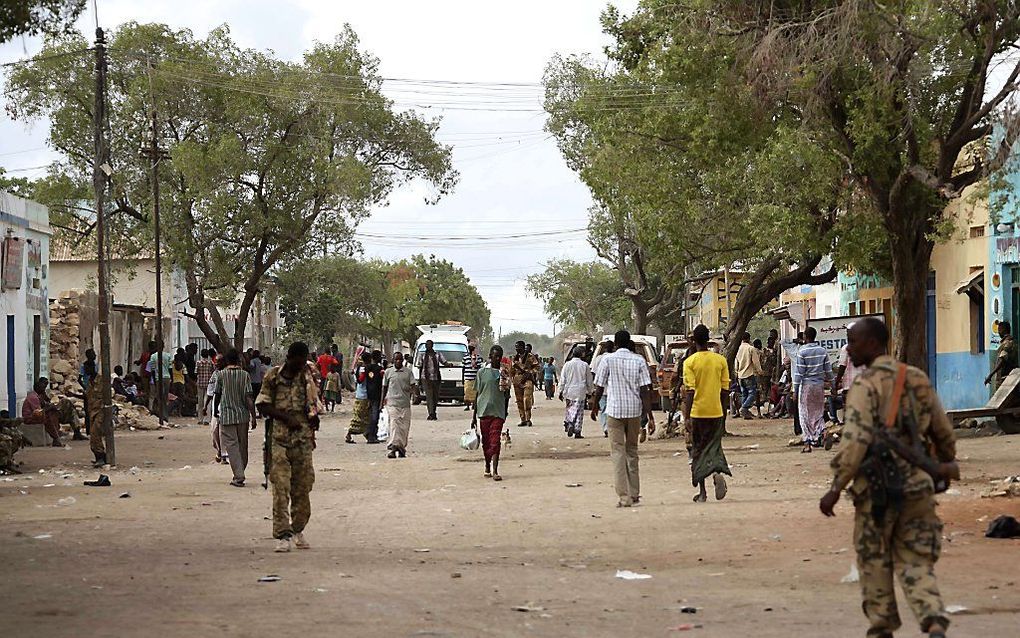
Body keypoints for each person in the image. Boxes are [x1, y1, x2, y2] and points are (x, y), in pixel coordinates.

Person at [820, 317, 955, 638]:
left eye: (852, 342)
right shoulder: (917, 378)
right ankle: (933, 618)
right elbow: (943, 432)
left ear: (871, 344)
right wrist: (943, 465)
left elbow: (855, 442)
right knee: (917, 560)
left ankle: (881, 627)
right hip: (918, 486)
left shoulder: (864, 387)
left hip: (877, 491)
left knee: (874, 560)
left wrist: (836, 487)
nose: (848, 349)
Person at [256, 342, 320, 553]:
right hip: (280, 440)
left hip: (302, 441)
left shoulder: (306, 377)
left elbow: (313, 404)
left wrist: (313, 420)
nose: (301, 365)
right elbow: (263, 405)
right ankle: (283, 534)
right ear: (290, 358)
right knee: (281, 488)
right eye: (298, 361)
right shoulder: (273, 377)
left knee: (303, 487)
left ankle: (297, 528)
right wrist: (286, 418)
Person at [590, 330, 656, 508]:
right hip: (634, 411)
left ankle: (624, 496)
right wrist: (650, 416)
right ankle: (634, 493)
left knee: (618, 453)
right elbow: (645, 390)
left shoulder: (607, 360)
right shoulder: (639, 360)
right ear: (628, 343)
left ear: (616, 344)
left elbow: (599, 386)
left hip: (614, 410)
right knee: (632, 451)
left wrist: (595, 406)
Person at [682, 324, 732, 503]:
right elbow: (725, 389)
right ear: (709, 339)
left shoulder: (690, 362)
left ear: (694, 341)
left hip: (697, 413)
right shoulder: (720, 361)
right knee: (714, 447)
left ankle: (702, 493)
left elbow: (690, 391)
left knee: (698, 450)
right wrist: (724, 411)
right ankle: (717, 473)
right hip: (716, 411)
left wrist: (686, 417)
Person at [215, 348, 255, 487]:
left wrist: (215, 411)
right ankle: (240, 472)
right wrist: (253, 416)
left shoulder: (221, 375)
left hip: (227, 416)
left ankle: (238, 475)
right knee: (242, 445)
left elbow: (217, 395)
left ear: (226, 360)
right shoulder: (245, 375)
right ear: (239, 360)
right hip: (242, 415)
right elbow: (248, 397)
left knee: (231, 445)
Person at [793, 326, 832, 453]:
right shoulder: (822, 351)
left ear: (805, 336)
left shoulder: (802, 352)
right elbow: (828, 371)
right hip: (819, 386)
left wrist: (795, 389)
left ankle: (808, 442)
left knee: (804, 414)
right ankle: (823, 431)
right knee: (818, 412)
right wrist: (833, 385)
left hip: (807, 386)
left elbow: (799, 373)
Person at [474, 345, 509, 480]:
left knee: (495, 441)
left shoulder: (503, 373)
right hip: (483, 411)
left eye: (499, 356)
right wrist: (473, 417)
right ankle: (487, 465)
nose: (497, 358)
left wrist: (505, 412)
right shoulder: (482, 372)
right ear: (490, 356)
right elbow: (477, 394)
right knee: (486, 442)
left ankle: (495, 470)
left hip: (498, 412)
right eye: (495, 355)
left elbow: (506, 395)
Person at [382, 352, 417, 459]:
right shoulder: (388, 372)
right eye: (396, 359)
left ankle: (401, 447)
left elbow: (413, 386)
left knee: (404, 428)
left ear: (402, 360)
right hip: (392, 404)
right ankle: (393, 448)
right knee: (394, 425)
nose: (398, 361)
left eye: (400, 359)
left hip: (405, 404)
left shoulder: (408, 372)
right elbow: (384, 387)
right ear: (393, 360)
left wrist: (414, 393)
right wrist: (381, 402)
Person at [559, 345, 592, 438]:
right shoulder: (585, 365)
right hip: (580, 391)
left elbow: (562, 380)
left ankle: (569, 423)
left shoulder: (567, 365)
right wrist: (590, 392)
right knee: (579, 411)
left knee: (570, 409)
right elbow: (589, 380)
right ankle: (577, 431)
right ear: (582, 354)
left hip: (569, 391)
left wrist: (560, 391)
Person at [22, 378, 64, 447]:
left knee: (53, 413)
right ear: (38, 388)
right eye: (43, 388)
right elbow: (38, 412)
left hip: (35, 415)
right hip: (29, 418)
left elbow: (46, 404)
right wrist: (50, 407)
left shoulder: (39, 396)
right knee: (48, 416)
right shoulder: (33, 397)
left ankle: (56, 433)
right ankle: (55, 437)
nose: (44, 389)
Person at [511, 340, 540, 427]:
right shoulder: (514, 357)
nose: (517, 349)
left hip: (527, 379)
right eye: (516, 347)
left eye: (518, 347)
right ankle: (522, 419)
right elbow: (511, 369)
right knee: (519, 401)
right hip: (517, 379)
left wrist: (530, 372)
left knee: (527, 399)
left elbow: (537, 367)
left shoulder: (530, 356)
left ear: (523, 347)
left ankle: (528, 419)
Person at [735, 332, 763, 420]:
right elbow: (756, 362)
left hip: (740, 375)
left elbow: (736, 363)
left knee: (744, 394)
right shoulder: (751, 348)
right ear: (749, 338)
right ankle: (744, 408)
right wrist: (760, 371)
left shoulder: (738, 348)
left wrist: (737, 371)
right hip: (749, 374)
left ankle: (745, 413)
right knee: (752, 393)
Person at [591, 340, 615, 437]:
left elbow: (593, 372)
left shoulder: (598, 359)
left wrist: (594, 387)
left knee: (604, 409)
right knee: (612, 410)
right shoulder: (614, 358)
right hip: (613, 390)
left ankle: (606, 428)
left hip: (602, 389)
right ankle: (612, 428)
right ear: (613, 348)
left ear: (604, 348)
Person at [347, 352, 372, 444]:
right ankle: (350, 433)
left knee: (365, 416)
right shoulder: (363, 369)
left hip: (361, 395)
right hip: (363, 395)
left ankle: (367, 434)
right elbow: (360, 380)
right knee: (360, 416)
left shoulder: (361, 368)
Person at [419, 340, 446, 421]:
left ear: (432, 345)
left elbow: (444, 362)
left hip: (436, 378)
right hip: (426, 378)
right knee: (429, 396)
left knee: (435, 397)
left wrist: (450, 364)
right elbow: (420, 367)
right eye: (427, 345)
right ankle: (431, 414)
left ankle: (433, 411)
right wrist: (420, 380)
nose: (428, 346)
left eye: (430, 345)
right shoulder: (422, 355)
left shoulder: (438, 354)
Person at [985, 321, 1017, 390]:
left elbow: (1002, 360)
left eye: (999, 330)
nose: (998, 332)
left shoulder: (1007, 343)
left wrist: (991, 375)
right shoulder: (1009, 342)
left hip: (1005, 379)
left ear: (1004, 330)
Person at [364, 351, 384, 444]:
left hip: (368, 393)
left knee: (371, 414)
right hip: (377, 394)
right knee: (375, 416)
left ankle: (370, 433)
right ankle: (371, 435)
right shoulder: (379, 369)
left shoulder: (367, 368)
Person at [196, 349, 216, 424]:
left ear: (201, 355)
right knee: (207, 401)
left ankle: (200, 419)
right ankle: (207, 419)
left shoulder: (198, 362)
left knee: (200, 401)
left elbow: (196, 372)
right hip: (208, 384)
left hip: (200, 383)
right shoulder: (210, 363)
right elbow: (213, 371)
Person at [462, 344, 483, 412]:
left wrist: (475, 361)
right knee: (467, 392)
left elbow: (480, 368)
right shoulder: (465, 357)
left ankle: (474, 405)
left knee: (475, 392)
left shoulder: (478, 358)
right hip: (467, 377)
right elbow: (463, 368)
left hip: (475, 378)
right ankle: (467, 405)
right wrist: (462, 378)